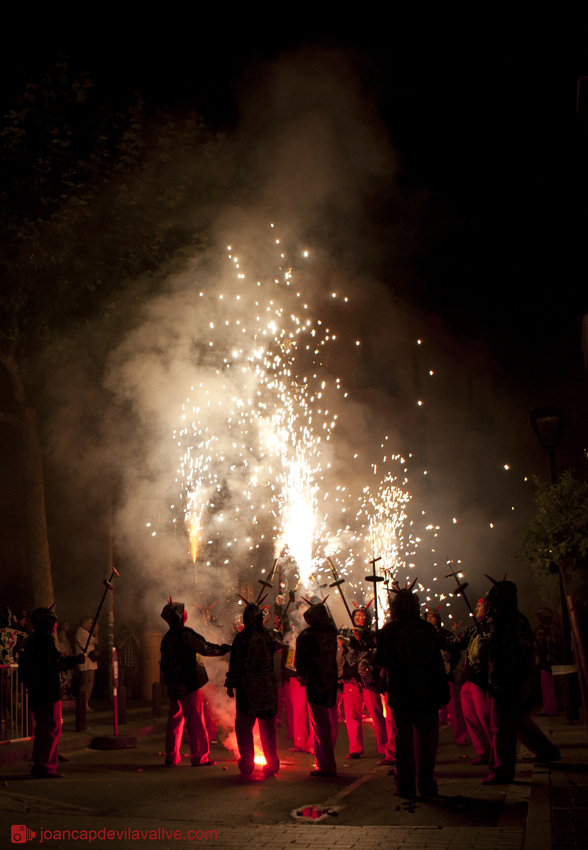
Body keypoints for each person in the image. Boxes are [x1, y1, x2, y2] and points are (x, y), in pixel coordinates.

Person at [482, 576, 560, 785]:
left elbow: (504, 653)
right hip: (520, 678)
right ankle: (547, 751)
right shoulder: (518, 618)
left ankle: (502, 771)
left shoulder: (507, 622)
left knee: (502, 726)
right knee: (518, 721)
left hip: (508, 680)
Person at [375, 581, 449, 798]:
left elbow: (381, 660)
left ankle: (405, 786)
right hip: (428, 692)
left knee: (403, 742)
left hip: (401, 693)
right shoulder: (427, 629)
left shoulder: (389, 630)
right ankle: (426, 784)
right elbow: (436, 662)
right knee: (427, 743)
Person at [18, 606, 90, 778]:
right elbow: (53, 664)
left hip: (39, 691)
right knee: (51, 727)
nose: (56, 624)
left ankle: (41, 764)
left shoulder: (36, 639)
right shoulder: (43, 640)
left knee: (44, 728)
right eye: (53, 621)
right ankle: (45, 766)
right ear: (47, 623)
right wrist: (75, 660)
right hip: (46, 691)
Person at [160, 599, 230, 767]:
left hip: (174, 684)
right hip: (188, 682)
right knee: (196, 719)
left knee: (175, 720)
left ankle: (171, 756)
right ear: (180, 617)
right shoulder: (184, 634)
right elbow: (204, 647)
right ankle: (199, 756)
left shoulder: (167, 638)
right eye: (183, 613)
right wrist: (222, 649)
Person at [225, 600, 281, 777]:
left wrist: (231, 684)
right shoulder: (271, 635)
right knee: (268, 726)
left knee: (243, 725)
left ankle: (248, 763)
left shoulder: (241, 638)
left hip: (247, 687)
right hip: (267, 686)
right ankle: (272, 763)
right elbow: (280, 646)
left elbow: (235, 664)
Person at [339, 602, 392, 764]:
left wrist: (354, 640)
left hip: (368, 679)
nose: (358, 618)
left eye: (362, 615)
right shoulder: (347, 632)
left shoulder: (373, 634)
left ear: (367, 617)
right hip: (350, 678)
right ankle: (355, 748)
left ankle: (384, 746)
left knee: (376, 713)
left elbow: (368, 646)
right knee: (351, 714)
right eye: (356, 615)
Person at [295, 598, 339, 777]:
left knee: (319, 725)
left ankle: (326, 766)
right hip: (330, 681)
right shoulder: (331, 633)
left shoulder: (308, 635)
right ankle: (327, 763)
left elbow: (300, 660)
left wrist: (301, 674)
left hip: (315, 682)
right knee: (326, 723)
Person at [426, 606, 468, 746]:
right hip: (430, 675)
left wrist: (451, 661)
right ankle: (430, 741)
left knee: (453, 706)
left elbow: (455, 651)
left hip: (446, 673)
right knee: (430, 710)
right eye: (427, 617)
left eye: (432, 616)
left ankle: (460, 737)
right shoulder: (425, 635)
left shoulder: (447, 635)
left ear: (438, 618)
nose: (429, 619)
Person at [75, 618, 99, 710]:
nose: (91, 625)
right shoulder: (82, 632)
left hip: (88, 663)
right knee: (86, 684)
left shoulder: (83, 632)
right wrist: (96, 631)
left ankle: (85, 704)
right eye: (90, 623)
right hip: (86, 664)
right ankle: (83, 705)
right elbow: (96, 641)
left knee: (88, 683)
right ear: (84, 622)